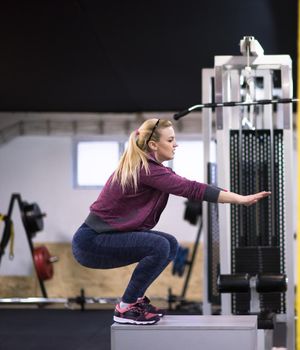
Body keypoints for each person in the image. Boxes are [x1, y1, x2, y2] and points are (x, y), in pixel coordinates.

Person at [72, 118, 270, 325]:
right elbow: (192, 189)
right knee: (158, 246)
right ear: (153, 145)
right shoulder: (146, 170)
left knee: (170, 244)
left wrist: (235, 196)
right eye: (171, 140)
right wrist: (241, 199)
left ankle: (135, 301)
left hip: (103, 238)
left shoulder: (152, 168)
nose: (176, 144)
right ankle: (126, 307)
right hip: (91, 242)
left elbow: (191, 186)